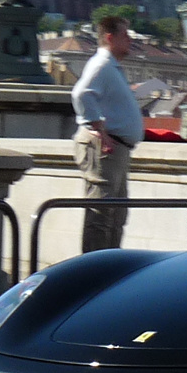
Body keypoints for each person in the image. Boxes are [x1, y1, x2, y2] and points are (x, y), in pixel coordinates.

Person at [71, 15, 145, 251]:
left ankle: (109, 268)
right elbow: (81, 94)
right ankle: (94, 272)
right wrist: (98, 129)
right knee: (101, 216)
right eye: (125, 34)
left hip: (115, 149)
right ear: (110, 37)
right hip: (104, 148)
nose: (130, 39)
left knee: (116, 216)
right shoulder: (102, 64)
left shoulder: (110, 66)